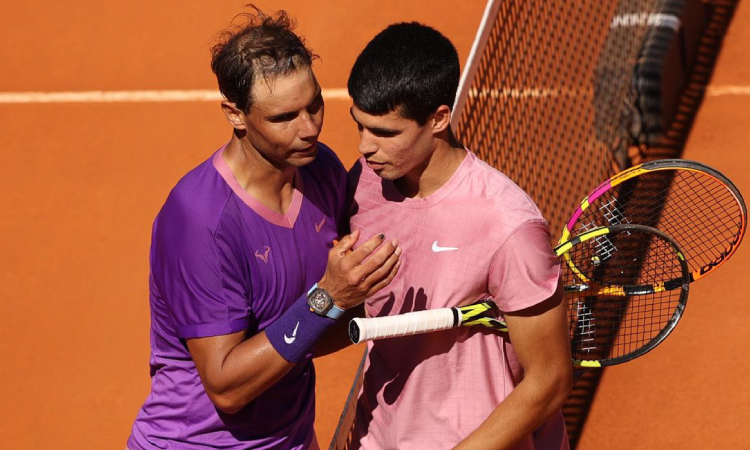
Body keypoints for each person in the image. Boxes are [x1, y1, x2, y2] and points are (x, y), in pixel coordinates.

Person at [127, 7, 401, 450]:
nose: (309, 128)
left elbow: (310, 331)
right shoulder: (199, 221)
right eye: (283, 117)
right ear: (235, 115)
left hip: (290, 439)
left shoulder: (321, 170)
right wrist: (329, 299)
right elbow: (227, 387)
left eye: (314, 104)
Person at [346, 22, 572, 449]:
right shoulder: (364, 183)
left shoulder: (507, 226)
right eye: (360, 125)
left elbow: (551, 378)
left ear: (438, 119)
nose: (365, 147)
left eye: (385, 133)